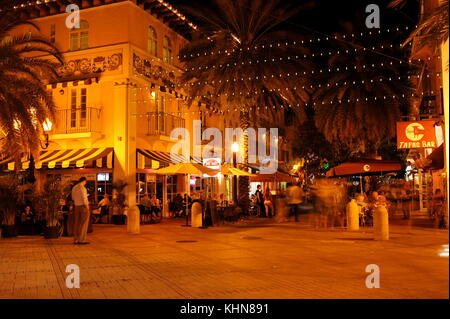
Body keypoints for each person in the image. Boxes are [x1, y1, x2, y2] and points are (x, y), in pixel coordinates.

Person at [71, 177, 90, 245]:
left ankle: (75, 239)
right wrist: (87, 207)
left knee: (76, 223)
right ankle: (81, 240)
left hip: (76, 207)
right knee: (83, 223)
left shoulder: (74, 188)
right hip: (83, 207)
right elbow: (84, 199)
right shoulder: (83, 188)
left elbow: (73, 197)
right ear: (84, 181)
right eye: (85, 182)